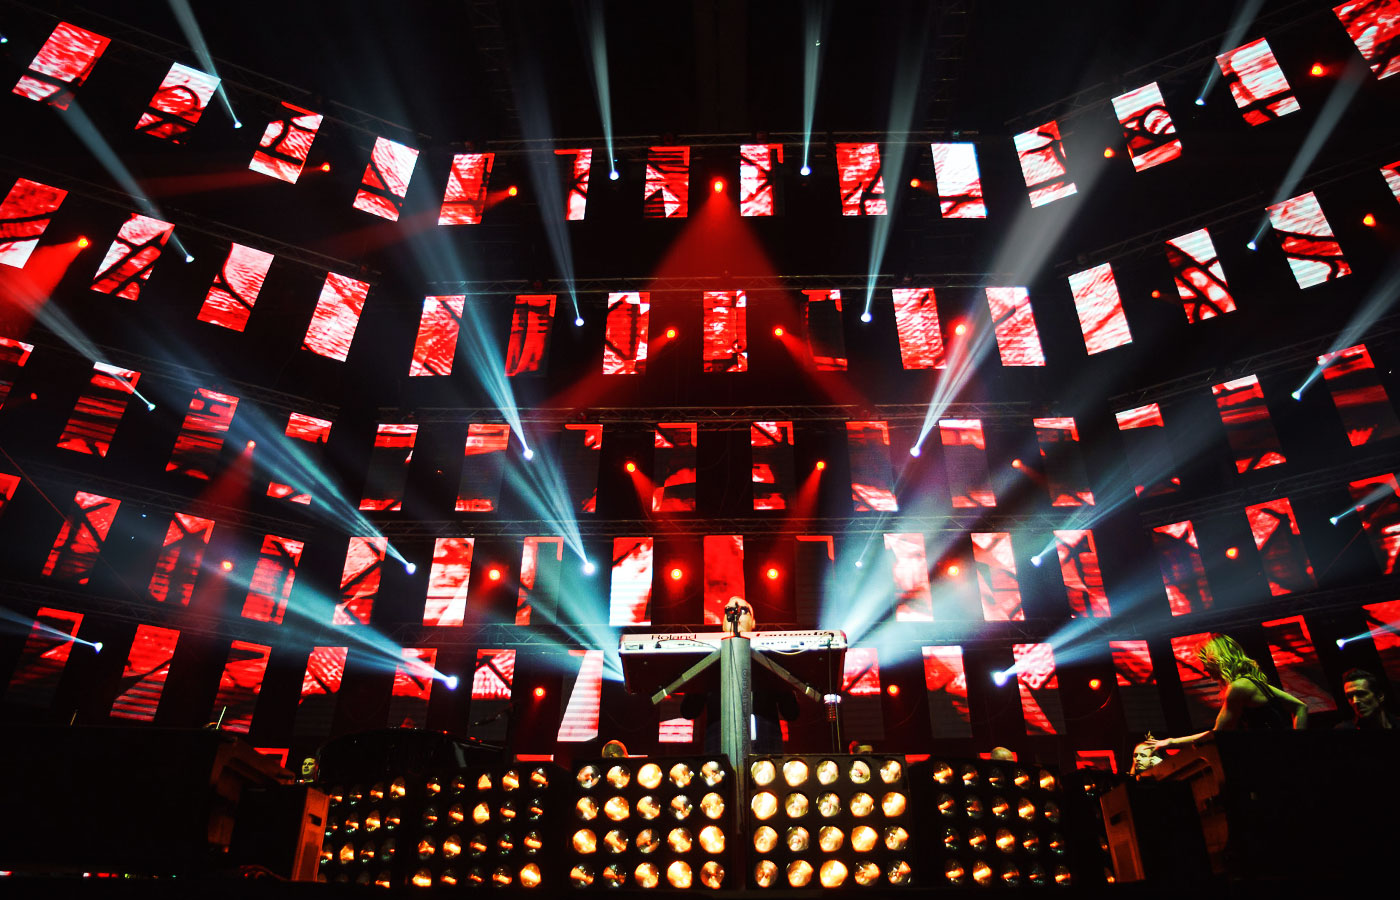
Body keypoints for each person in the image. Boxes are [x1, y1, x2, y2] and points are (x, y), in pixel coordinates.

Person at [1149, 633, 1307, 753]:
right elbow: (1301, 707)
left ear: (1215, 660)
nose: (1204, 668)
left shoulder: (1237, 688)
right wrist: (1298, 743)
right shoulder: (1255, 683)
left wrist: (1171, 742)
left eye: (1204, 662)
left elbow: (1219, 734)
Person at [681, 597, 798, 752]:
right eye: (729, 611)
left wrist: (779, 673)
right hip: (719, 748)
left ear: (753, 622)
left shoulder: (770, 656)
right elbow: (689, 711)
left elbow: (791, 712)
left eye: (743, 611)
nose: (736, 614)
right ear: (723, 623)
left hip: (766, 751)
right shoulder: (708, 660)